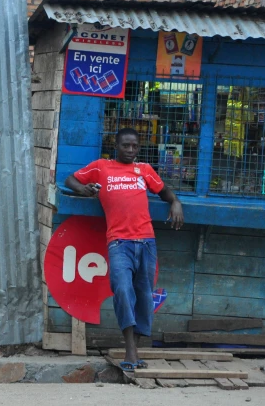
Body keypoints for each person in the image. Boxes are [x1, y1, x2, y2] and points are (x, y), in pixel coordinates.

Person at [64, 127, 183, 371]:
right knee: (122, 290)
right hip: (118, 242)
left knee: (143, 295)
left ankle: (133, 350)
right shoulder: (101, 167)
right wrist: (82, 189)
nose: (130, 150)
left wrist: (176, 202)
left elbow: (164, 192)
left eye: (135, 146)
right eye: (125, 145)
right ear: (116, 147)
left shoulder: (144, 170)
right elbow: (71, 179)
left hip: (146, 242)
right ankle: (130, 349)